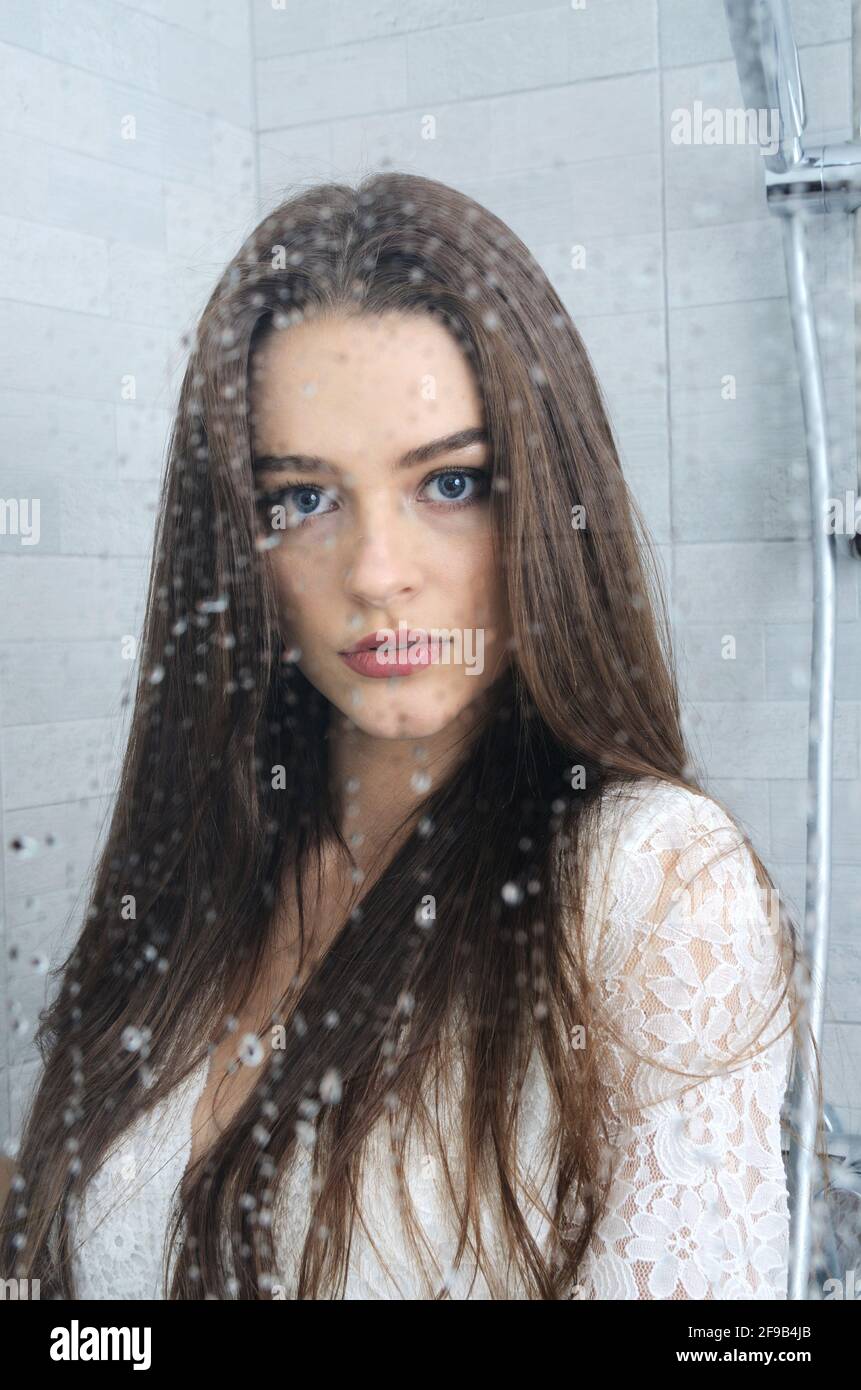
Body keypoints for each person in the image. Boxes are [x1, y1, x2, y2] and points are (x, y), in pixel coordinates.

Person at [0, 172, 815, 1299]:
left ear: (546, 495)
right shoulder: (210, 867)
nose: (377, 573)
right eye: (301, 499)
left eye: (450, 481)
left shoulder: (657, 882)